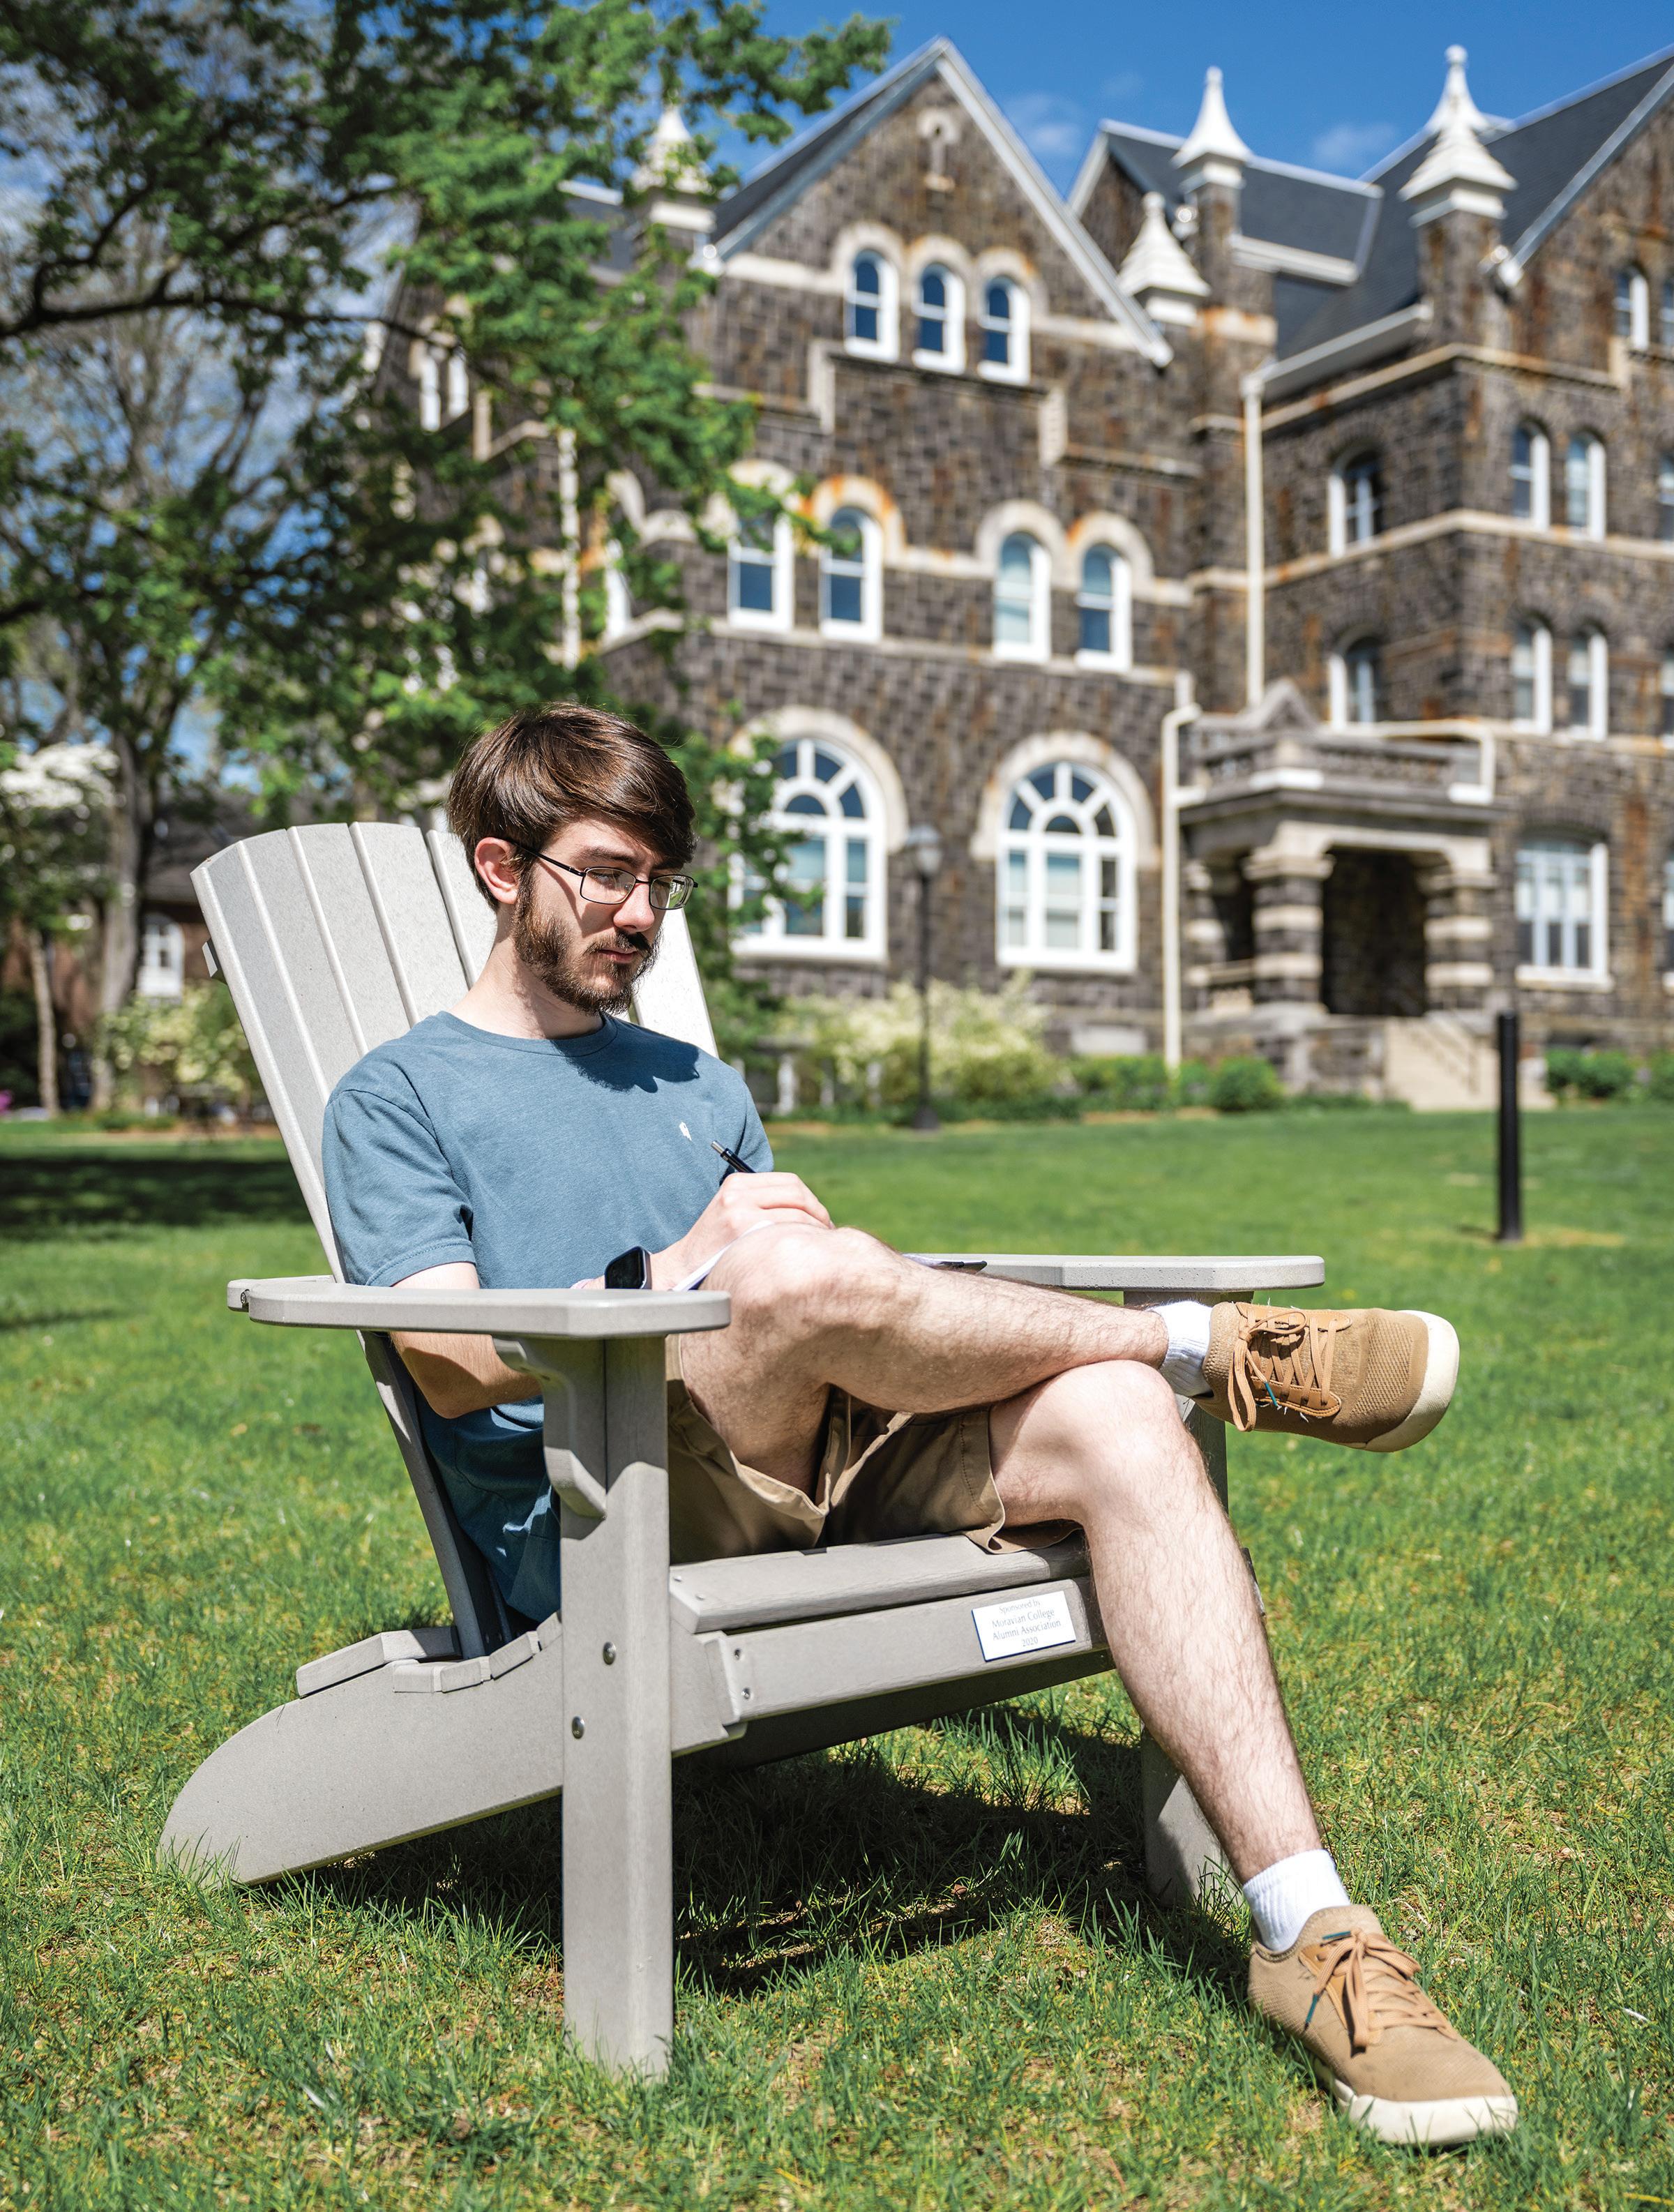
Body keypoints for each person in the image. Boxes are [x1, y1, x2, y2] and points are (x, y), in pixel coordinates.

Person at [321, 703, 1516, 2149]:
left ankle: (1310, 1929)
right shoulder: (399, 1094)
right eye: (606, 875)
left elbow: (830, 1312)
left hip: (813, 1445)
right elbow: (449, 1357)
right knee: (783, 1261)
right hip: (606, 1502)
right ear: (501, 868)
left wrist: (790, 1273)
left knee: (1117, 1415)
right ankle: (1208, 1342)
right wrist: (679, 1272)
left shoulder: (695, 1082)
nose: (640, 915)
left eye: (661, 883)